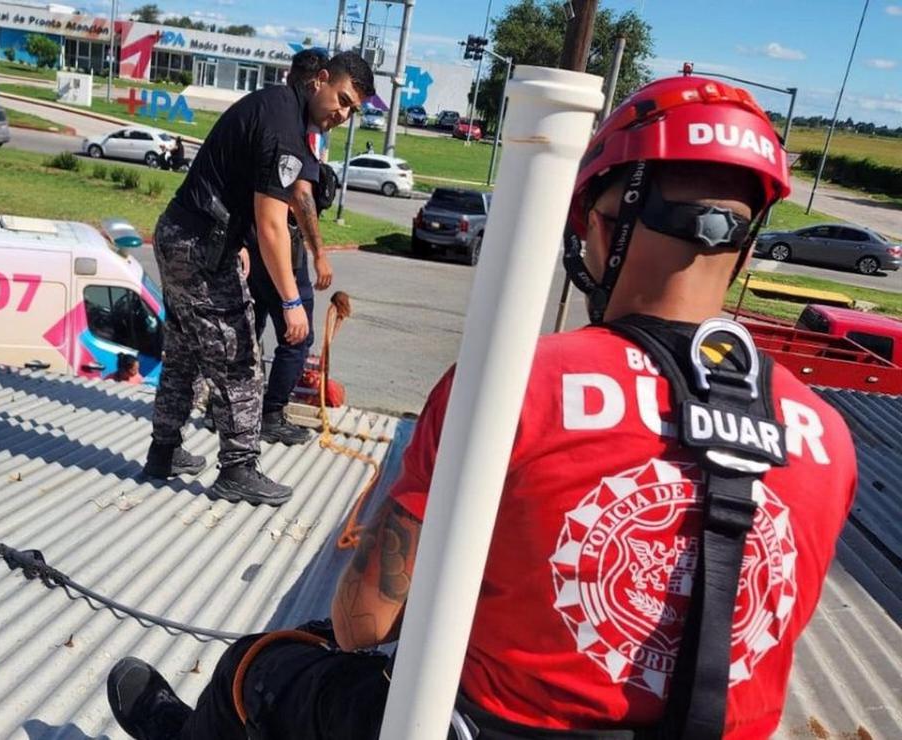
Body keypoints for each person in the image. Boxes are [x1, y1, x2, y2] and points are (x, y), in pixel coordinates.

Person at [106, 75, 858, 739]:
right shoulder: (826, 434)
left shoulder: (514, 388)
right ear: (749, 245)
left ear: (599, 223)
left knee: (264, 667)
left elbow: (359, 623)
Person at [142, 51, 375, 507]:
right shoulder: (285, 123)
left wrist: (242, 245)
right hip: (201, 247)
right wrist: (291, 301)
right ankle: (238, 468)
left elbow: (255, 189)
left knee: (186, 352)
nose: (343, 114)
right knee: (239, 357)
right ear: (321, 81)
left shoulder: (275, 107)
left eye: (352, 109)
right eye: (342, 99)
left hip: (181, 235)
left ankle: (163, 451)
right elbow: (272, 222)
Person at [244, 48, 338, 446]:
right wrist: (318, 253)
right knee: (297, 336)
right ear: (318, 81)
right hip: (278, 243)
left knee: (249, 331)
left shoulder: (264, 110)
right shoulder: (302, 129)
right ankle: (271, 413)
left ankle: (232, 409)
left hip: (245, 242)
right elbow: (302, 197)